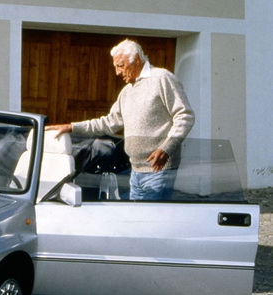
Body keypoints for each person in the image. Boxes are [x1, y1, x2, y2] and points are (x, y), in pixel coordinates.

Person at [48, 39, 195, 201]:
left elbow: (185, 116)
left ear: (136, 60)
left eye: (120, 66)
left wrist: (166, 148)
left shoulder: (162, 78)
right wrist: (72, 127)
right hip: (135, 170)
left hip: (158, 170)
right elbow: (109, 123)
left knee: (148, 221)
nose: (117, 72)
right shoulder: (127, 92)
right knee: (139, 220)